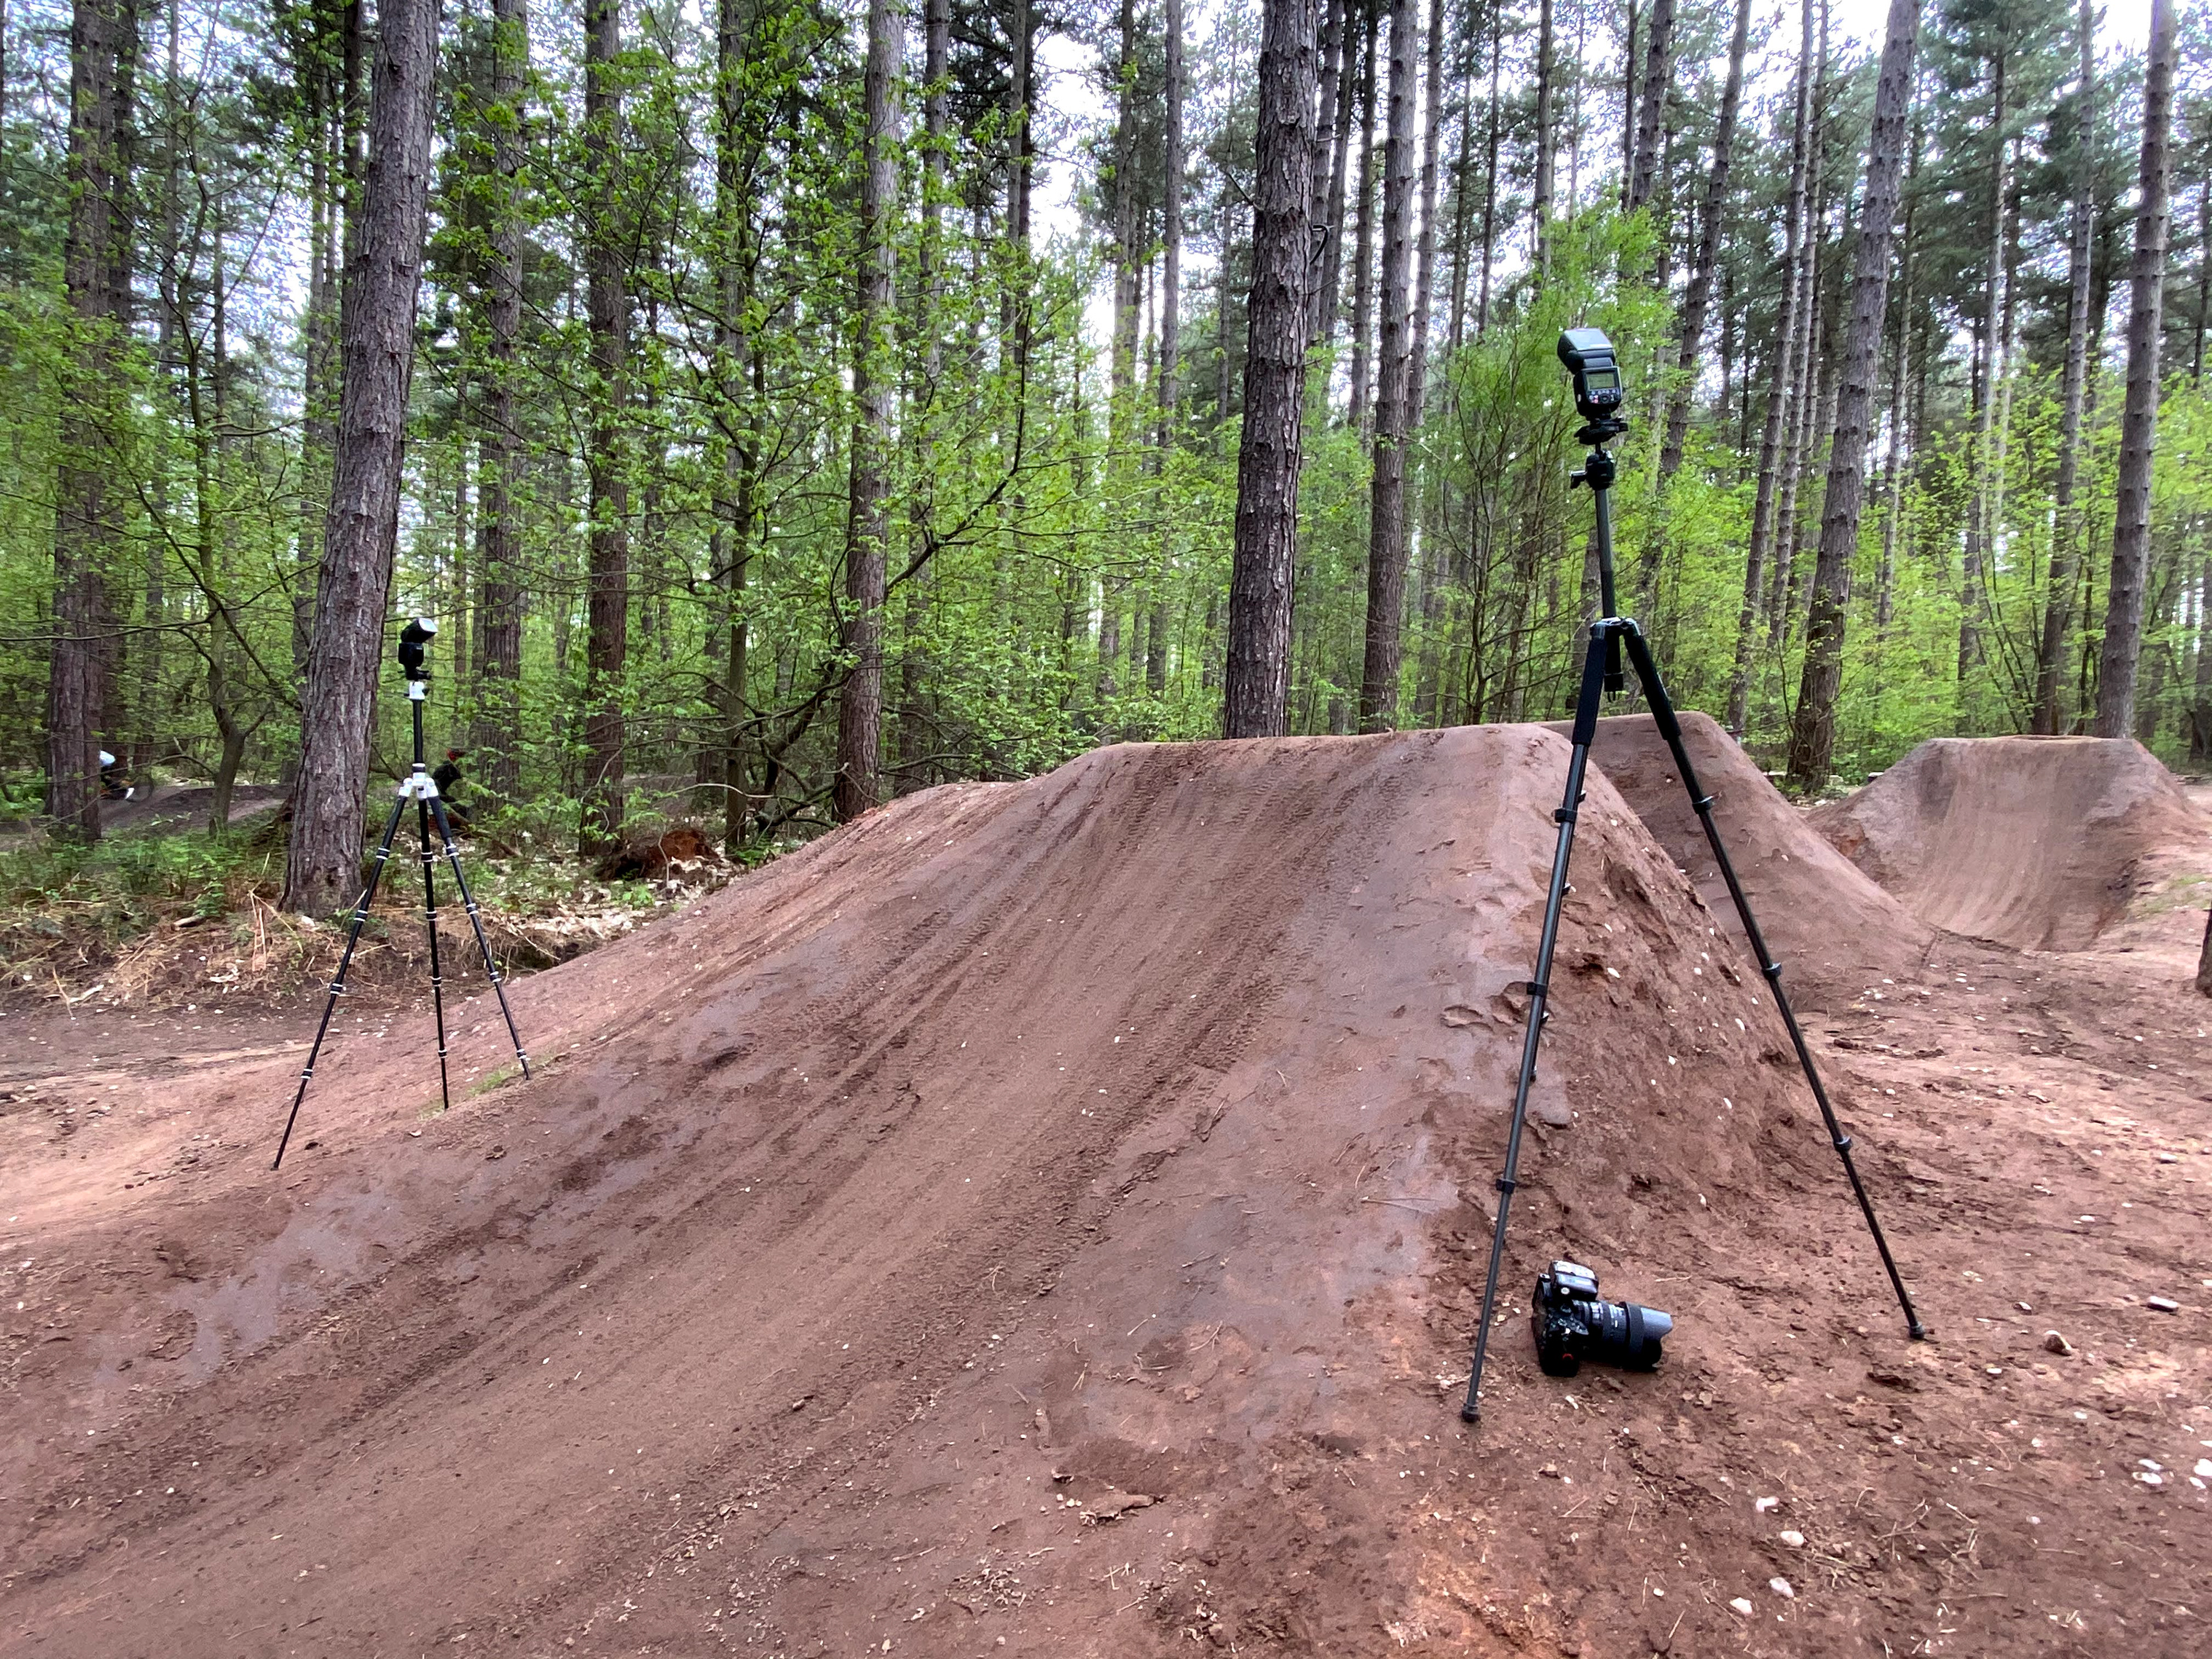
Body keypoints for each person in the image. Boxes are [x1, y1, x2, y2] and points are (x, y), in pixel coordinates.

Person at [431, 748, 471, 827]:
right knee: (458, 806)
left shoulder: (451, 767)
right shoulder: (448, 767)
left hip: (440, 792)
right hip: (437, 793)